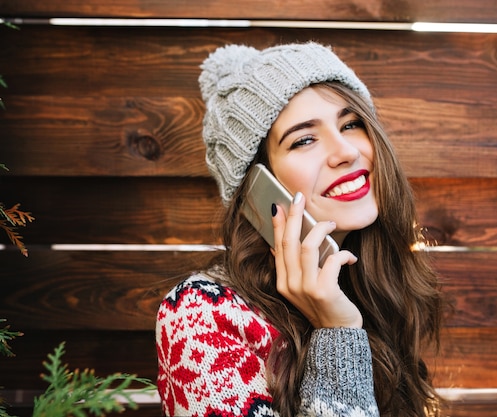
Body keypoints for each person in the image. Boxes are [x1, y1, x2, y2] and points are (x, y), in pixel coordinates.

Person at [156, 42, 445, 417]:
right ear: (257, 189)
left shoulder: (376, 284)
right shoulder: (200, 316)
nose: (345, 151)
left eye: (351, 124)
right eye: (304, 139)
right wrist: (338, 336)